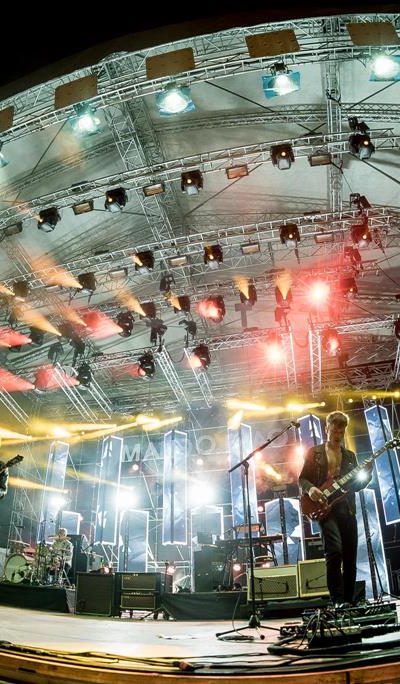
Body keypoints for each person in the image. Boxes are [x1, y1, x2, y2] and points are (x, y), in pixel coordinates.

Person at [299, 410, 372, 607]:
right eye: (334, 430)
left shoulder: (350, 456)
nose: (337, 434)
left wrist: (368, 474)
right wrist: (311, 489)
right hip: (325, 509)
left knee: (350, 556)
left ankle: (348, 601)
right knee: (334, 551)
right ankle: (337, 600)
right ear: (327, 429)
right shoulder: (314, 453)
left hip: (347, 509)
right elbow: (302, 479)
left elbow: (355, 486)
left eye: (341, 431)